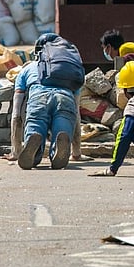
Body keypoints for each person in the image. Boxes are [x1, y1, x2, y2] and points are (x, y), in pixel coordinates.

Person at [12, 33, 81, 170]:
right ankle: (59, 145)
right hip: (65, 96)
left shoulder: (27, 69)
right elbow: (77, 115)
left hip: (39, 97)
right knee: (64, 125)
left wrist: (15, 151)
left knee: (36, 124)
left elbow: (16, 114)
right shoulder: (69, 71)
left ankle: (34, 143)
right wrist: (77, 153)